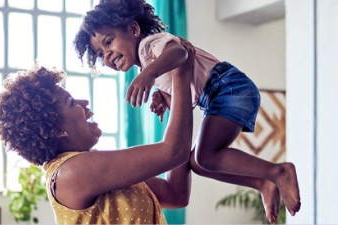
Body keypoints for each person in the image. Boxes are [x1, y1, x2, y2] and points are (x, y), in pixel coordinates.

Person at [72, 0, 301, 223]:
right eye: (101, 53)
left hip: (228, 87)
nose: (107, 54)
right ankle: (262, 182)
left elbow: (180, 54)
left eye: (109, 41)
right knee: (199, 163)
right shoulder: (147, 62)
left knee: (205, 156)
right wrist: (163, 94)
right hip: (219, 94)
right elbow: (183, 84)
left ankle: (278, 172)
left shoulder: (150, 45)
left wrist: (149, 74)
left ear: (133, 29)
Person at [0, 40, 196, 224]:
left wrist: (173, 103)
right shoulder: (71, 173)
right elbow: (174, 152)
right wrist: (180, 76)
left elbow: (175, 194)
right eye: (71, 103)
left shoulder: (91, 169)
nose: (85, 103)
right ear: (57, 130)